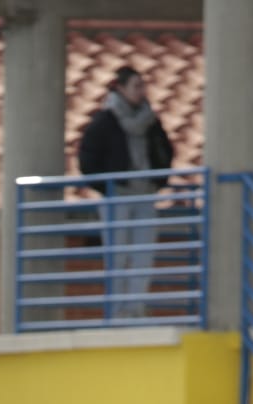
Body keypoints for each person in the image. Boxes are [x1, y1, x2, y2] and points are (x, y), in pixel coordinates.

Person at [78, 65, 174, 321]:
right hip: (117, 194)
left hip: (145, 192)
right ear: (120, 88)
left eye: (143, 86)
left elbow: (165, 150)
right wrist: (106, 186)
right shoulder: (104, 121)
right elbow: (87, 158)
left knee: (143, 252)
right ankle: (117, 310)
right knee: (118, 253)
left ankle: (137, 307)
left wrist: (158, 180)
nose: (142, 92)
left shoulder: (151, 122)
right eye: (136, 86)